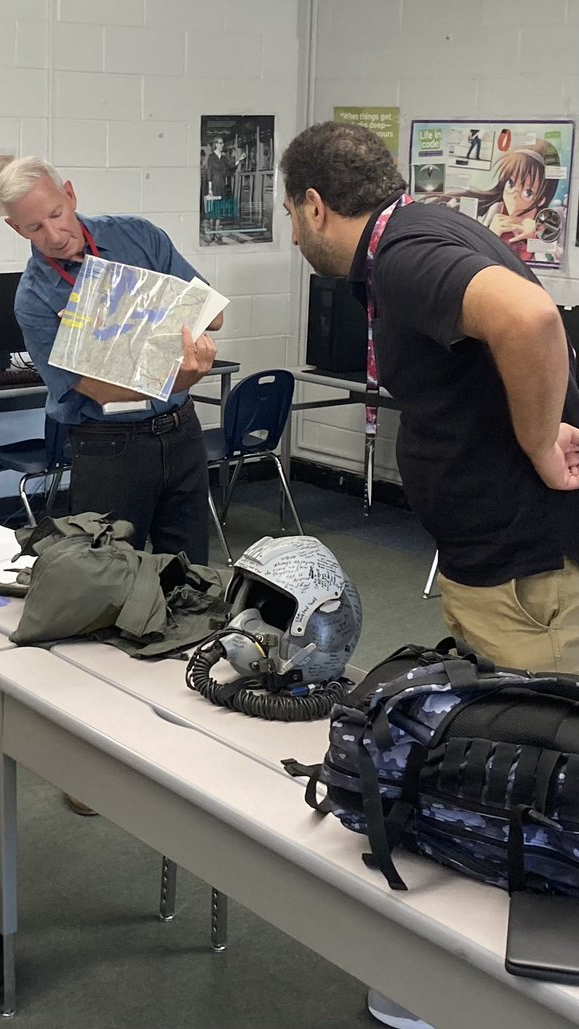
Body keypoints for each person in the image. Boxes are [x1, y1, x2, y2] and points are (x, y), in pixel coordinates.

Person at [280, 120, 579, 1029]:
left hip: (517, 568)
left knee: (537, 763)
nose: (294, 235)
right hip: (513, 553)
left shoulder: (406, 253)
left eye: (292, 217)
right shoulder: (429, 229)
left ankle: (503, 988)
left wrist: (536, 436)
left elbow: (529, 318)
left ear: (317, 205)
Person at [0, 155, 223, 563]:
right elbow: (98, 390)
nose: (54, 234)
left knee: (192, 575)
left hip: (181, 430)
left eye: (56, 214)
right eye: (34, 228)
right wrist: (174, 375)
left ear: (70, 195)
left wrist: (145, 350)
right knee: (109, 576)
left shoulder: (138, 236)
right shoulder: (34, 298)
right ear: (15, 228)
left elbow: (212, 314)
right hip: (110, 446)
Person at [435, 138, 563, 263]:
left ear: (541, 200)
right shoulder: (488, 214)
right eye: (511, 183)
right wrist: (489, 235)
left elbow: (559, 262)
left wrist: (537, 238)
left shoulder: (550, 223)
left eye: (528, 192)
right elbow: (462, 257)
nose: (514, 194)